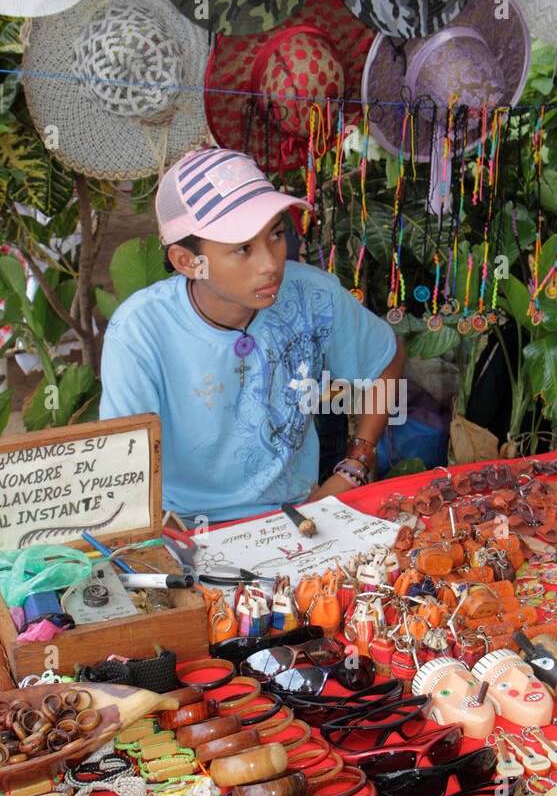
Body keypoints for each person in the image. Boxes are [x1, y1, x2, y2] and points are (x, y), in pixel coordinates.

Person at [99, 147, 404, 525]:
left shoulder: (313, 295)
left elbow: (386, 361)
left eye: (275, 235)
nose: (270, 263)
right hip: (185, 529)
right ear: (187, 261)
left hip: (301, 515)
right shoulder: (138, 332)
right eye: (242, 248)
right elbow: (128, 468)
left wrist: (356, 464)